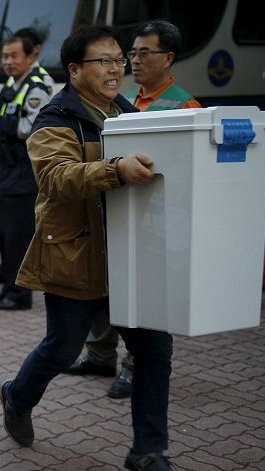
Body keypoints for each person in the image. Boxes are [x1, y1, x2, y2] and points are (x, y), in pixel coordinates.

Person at [0, 25, 191, 471]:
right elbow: (56, 176)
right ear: (74, 70)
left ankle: (148, 450)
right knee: (62, 348)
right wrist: (115, 170)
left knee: (154, 351)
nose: (114, 69)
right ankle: (17, 396)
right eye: (102, 61)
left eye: (118, 60)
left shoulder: (128, 113)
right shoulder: (54, 119)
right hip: (75, 254)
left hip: (130, 259)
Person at [65, 20, 201, 399]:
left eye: (144, 53)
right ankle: (101, 355)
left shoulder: (183, 105)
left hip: (157, 221)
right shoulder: (127, 102)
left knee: (148, 302)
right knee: (114, 291)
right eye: (133, 54)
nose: (134, 62)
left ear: (168, 58)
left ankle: (134, 367)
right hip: (121, 214)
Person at [0, 34, 51, 310]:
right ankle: (8, 284)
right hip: (7, 168)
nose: (8, 62)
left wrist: (2, 120)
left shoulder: (35, 87)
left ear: (30, 56)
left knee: (19, 235)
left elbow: (30, 128)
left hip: (23, 170)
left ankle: (20, 294)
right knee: (6, 233)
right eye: (5, 56)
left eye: (14, 56)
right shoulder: (14, 85)